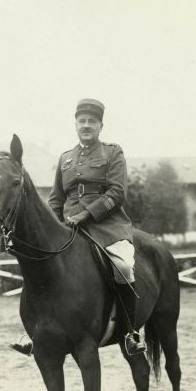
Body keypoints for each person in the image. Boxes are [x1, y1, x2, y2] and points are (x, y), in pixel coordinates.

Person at [47, 98, 146, 355]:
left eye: (92, 121)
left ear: (101, 125)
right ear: (76, 125)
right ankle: (36, 332)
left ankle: (129, 333)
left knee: (123, 266)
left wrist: (86, 215)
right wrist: (53, 226)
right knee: (42, 264)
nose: (86, 125)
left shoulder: (113, 152)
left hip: (107, 227)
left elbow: (117, 192)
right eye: (82, 121)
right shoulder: (65, 158)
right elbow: (56, 198)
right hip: (68, 229)